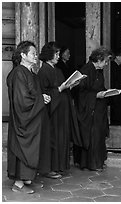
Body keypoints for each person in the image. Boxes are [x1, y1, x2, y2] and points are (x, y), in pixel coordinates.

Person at [6, 41, 51, 194]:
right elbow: (22, 100)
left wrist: (42, 97)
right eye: (33, 53)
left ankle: (27, 180)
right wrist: (40, 99)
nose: (36, 55)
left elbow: (34, 94)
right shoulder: (19, 72)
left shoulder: (30, 72)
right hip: (23, 121)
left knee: (33, 148)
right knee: (23, 148)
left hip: (33, 120)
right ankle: (18, 185)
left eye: (36, 53)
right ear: (23, 55)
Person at [37, 41, 81, 178]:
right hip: (53, 111)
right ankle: (50, 168)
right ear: (48, 54)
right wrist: (61, 89)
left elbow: (62, 88)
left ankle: (60, 166)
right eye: (55, 53)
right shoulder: (43, 70)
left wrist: (72, 85)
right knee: (53, 139)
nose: (58, 56)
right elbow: (43, 93)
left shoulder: (58, 70)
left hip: (62, 110)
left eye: (58, 53)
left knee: (62, 138)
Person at [73, 46, 111, 171]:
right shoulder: (86, 70)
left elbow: (99, 87)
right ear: (99, 59)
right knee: (92, 136)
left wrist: (108, 93)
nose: (106, 64)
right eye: (105, 61)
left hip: (98, 109)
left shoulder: (98, 71)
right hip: (90, 110)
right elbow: (80, 92)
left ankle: (98, 161)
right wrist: (95, 95)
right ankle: (91, 163)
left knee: (99, 136)